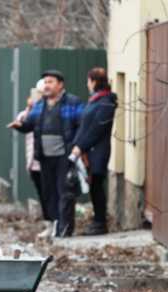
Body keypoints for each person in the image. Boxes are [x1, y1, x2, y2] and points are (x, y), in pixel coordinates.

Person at [8, 70, 83, 237]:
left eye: (50, 82)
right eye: (45, 82)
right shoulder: (40, 104)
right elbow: (30, 124)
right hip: (44, 156)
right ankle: (54, 225)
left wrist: (76, 146)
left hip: (65, 156)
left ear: (60, 84)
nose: (47, 85)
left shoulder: (72, 102)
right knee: (49, 193)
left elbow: (82, 125)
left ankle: (64, 229)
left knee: (65, 192)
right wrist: (20, 126)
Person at [69, 67, 117, 236]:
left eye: (88, 81)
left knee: (97, 186)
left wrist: (80, 146)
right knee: (93, 186)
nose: (87, 84)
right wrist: (77, 144)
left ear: (94, 81)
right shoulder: (96, 100)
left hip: (98, 151)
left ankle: (100, 222)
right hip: (89, 150)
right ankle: (97, 221)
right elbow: (84, 126)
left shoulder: (106, 102)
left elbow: (96, 129)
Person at [17, 81, 48, 225]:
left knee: (48, 192)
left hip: (45, 158)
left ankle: (52, 220)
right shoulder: (32, 111)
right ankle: (48, 221)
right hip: (33, 159)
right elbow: (21, 121)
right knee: (41, 192)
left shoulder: (48, 108)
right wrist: (29, 108)